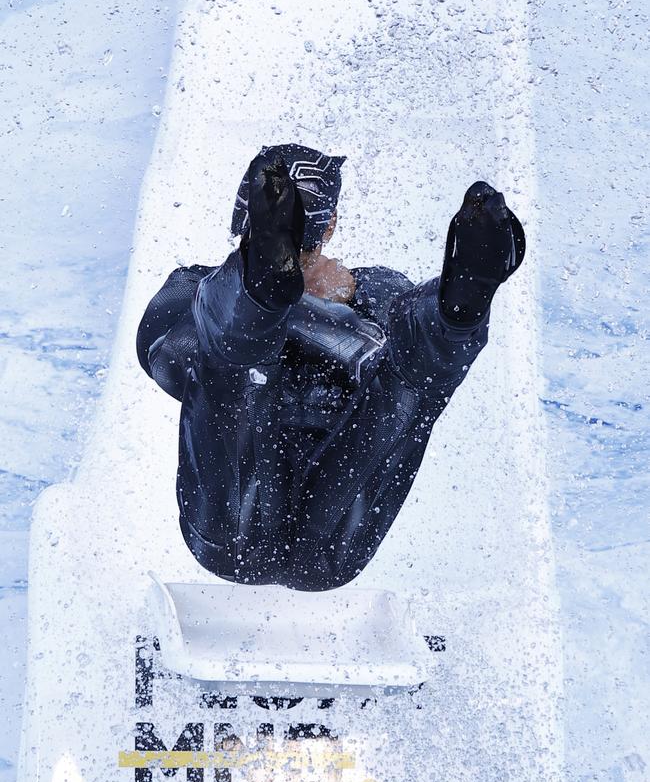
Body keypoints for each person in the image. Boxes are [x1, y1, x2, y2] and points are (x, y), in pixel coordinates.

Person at [137, 143, 525, 591]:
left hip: (332, 536)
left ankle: (461, 311)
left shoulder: (380, 294)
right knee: (232, 357)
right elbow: (166, 355)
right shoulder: (195, 288)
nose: (293, 239)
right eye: (279, 229)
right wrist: (282, 307)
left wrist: (322, 311)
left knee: (409, 380)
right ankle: (258, 296)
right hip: (233, 523)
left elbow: (400, 378)